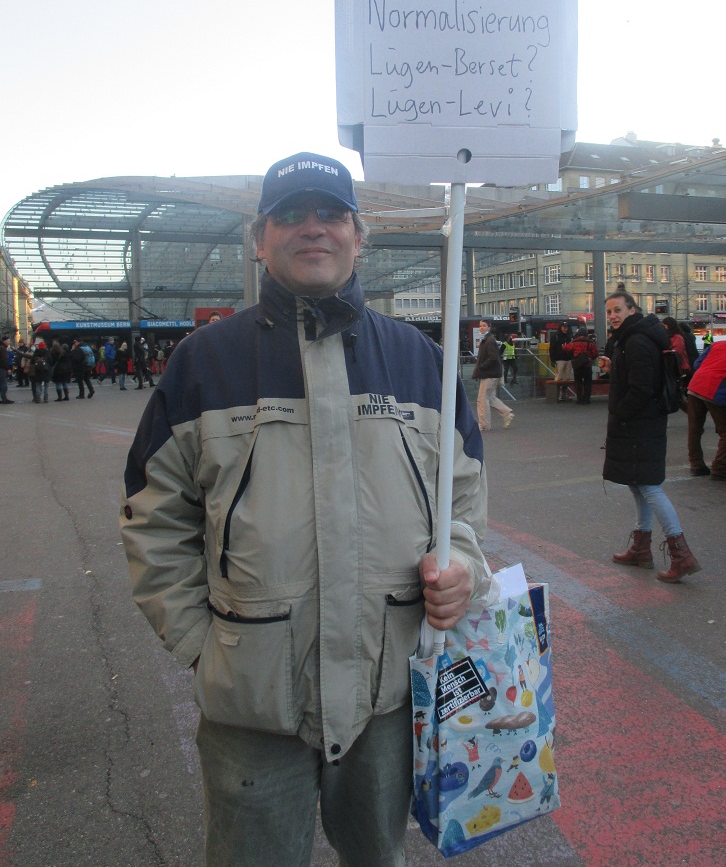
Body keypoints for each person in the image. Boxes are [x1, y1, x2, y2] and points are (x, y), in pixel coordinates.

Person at [120, 151, 491, 867]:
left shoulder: (420, 358)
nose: (311, 227)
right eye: (288, 214)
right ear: (259, 241)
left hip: (388, 692)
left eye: (330, 213)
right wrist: (203, 646)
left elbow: (463, 500)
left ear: (358, 235)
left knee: (378, 857)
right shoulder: (204, 360)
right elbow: (154, 516)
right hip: (252, 701)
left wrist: (462, 568)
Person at [599, 291, 700, 584]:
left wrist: (620, 413)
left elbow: (642, 387)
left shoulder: (637, 341)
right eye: (609, 311)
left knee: (649, 486)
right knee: (637, 482)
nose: (613, 316)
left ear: (632, 309)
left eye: (618, 310)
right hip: (640, 422)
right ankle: (641, 547)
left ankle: (681, 555)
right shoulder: (633, 338)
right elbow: (637, 378)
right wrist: (613, 369)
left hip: (638, 424)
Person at [686, 334, 726, 481]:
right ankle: (719, 468)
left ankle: (696, 465)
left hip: (695, 386)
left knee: (695, 429)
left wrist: (708, 372)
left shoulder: (718, 344)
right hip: (717, 390)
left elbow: (697, 364)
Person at [472, 318, 514, 431]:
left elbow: (493, 358)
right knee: (490, 398)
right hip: (493, 373)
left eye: (484, 326)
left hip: (488, 374)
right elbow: (494, 357)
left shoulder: (488, 340)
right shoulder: (489, 339)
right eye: (480, 326)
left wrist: (481, 366)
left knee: (482, 399)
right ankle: (507, 413)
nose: (481, 328)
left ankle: (484, 424)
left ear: (489, 327)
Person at [562, 325, 598, 404]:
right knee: (587, 383)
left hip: (577, 365)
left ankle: (579, 399)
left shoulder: (574, 341)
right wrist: (590, 358)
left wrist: (563, 346)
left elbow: (566, 348)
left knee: (578, 382)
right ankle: (587, 399)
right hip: (587, 365)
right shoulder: (590, 342)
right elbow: (595, 353)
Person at [549, 320, 574, 399]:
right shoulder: (556, 336)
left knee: (567, 378)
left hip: (568, 359)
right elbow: (552, 348)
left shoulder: (569, 336)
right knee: (559, 377)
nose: (565, 329)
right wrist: (552, 359)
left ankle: (563, 394)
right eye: (563, 327)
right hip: (559, 359)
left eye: (566, 327)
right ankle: (557, 395)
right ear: (560, 327)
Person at [0, 334, 15, 404]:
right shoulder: (2, 348)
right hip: (2, 368)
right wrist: (8, 368)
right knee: (3, 384)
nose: (9, 342)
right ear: (4, 341)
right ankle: (4, 398)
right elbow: (3, 360)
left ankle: (3, 398)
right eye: (8, 341)